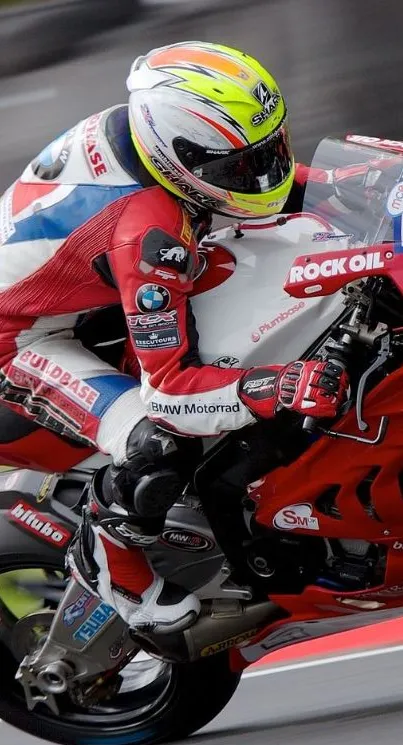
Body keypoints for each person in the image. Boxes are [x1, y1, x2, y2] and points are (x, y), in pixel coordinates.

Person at [0, 41, 349, 634]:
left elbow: (278, 189)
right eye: (238, 168)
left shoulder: (156, 131)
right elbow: (173, 392)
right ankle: (110, 557)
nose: (260, 175)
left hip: (80, 291)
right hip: (23, 343)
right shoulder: (148, 231)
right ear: (178, 156)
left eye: (269, 151)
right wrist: (275, 384)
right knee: (159, 439)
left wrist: (354, 183)